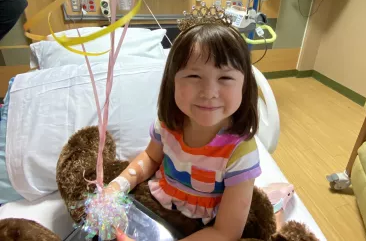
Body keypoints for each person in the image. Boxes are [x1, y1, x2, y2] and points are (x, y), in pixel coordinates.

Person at [104, 22, 287, 241]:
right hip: (162, 203)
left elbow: (225, 232)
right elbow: (151, 158)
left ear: (244, 86)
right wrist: (118, 185)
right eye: (194, 77)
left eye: (225, 78)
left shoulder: (241, 153)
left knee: (263, 225)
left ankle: (276, 204)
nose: (209, 93)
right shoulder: (168, 124)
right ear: (172, 82)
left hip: (208, 226)